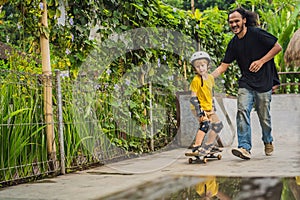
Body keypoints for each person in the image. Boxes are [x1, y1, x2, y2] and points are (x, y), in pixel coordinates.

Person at [211, 7, 282, 160]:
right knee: (242, 110)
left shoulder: (256, 34)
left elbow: (277, 47)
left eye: (236, 21)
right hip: (246, 82)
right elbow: (224, 66)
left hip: (264, 82)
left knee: (264, 116)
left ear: (244, 20)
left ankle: (268, 140)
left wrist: (261, 61)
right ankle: (244, 147)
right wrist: (207, 78)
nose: (233, 24)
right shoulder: (233, 44)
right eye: (231, 22)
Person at [189, 51, 223, 155]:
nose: (201, 68)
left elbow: (210, 94)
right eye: (198, 66)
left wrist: (213, 108)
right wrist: (200, 111)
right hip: (198, 108)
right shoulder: (196, 80)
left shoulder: (211, 79)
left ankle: (208, 145)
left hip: (209, 108)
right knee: (205, 124)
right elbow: (193, 97)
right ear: (195, 68)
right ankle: (196, 147)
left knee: (218, 125)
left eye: (203, 65)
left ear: (208, 66)